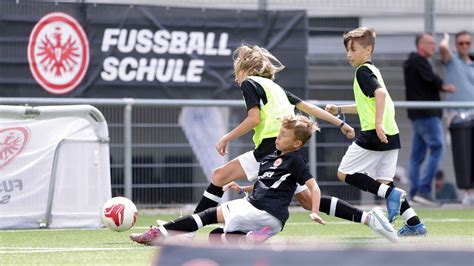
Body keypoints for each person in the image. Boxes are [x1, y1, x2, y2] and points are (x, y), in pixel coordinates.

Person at [129, 115, 397, 245]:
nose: (277, 137)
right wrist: (243, 187)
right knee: (216, 239)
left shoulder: (295, 160)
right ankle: (251, 239)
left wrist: (315, 211)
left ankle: (161, 233)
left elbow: (313, 188)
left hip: (264, 210)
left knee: (211, 214)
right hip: (270, 218)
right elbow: (265, 184)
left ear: (297, 143)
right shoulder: (270, 159)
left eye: (282, 135)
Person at [192, 44, 355, 216]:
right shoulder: (275, 87)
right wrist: (341, 123)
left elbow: (254, 119)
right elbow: (310, 109)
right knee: (308, 200)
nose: (236, 78)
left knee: (219, 176)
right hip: (286, 146)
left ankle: (186, 230)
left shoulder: (249, 83)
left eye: (236, 72)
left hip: (271, 148)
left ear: (245, 69)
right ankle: (367, 218)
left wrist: (226, 137)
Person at [325, 27, 427, 236]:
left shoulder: (362, 71)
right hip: (391, 135)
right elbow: (368, 104)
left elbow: (379, 94)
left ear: (368, 50)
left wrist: (378, 124)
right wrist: (340, 109)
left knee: (344, 173)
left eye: (353, 49)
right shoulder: (373, 70)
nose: (349, 54)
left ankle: (392, 194)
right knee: (385, 184)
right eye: (347, 50)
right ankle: (415, 224)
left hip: (374, 133)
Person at [404, 32, 456, 205]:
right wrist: (444, 86)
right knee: (438, 148)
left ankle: (414, 194)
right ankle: (423, 191)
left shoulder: (413, 62)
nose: (434, 46)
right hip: (427, 115)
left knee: (416, 156)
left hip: (419, 116)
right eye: (430, 43)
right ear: (421, 45)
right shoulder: (418, 61)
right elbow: (432, 80)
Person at [439, 31, 474, 205]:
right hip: (458, 117)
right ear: (456, 44)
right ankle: (468, 192)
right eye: (461, 43)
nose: (465, 46)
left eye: (467, 43)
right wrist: (446, 37)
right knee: (463, 156)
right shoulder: (452, 61)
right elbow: (443, 48)